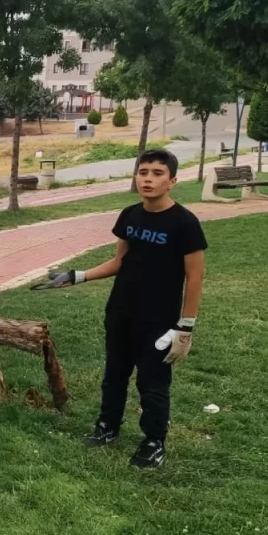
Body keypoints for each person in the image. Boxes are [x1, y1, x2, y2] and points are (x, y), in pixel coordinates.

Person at [36, 149, 206, 468]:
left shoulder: (185, 223)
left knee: (152, 383)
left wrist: (185, 327)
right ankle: (107, 428)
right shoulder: (129, 215)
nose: (148, 179)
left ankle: (154, 442)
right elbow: (120, 261)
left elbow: (195, 277)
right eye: (143, 172)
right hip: (120, 312)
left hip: (159, 320)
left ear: (172, 181)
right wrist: (77, 276)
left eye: (157, 173)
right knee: (114, 375)